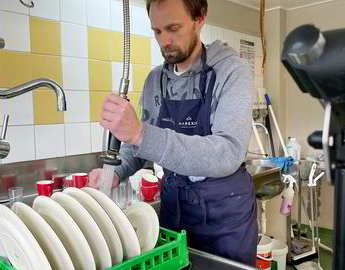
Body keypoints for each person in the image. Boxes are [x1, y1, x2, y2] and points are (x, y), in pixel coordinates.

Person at [89, 0, 257, 265]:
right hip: (174, 215)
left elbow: (227, 153)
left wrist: (141, 134)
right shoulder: (155, 81)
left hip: (224, 221)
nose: (164, 41)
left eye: (173, 28)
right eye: (157, 31)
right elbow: (135, 148)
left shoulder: (231, 72)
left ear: (200, 18)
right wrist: (116, 172)